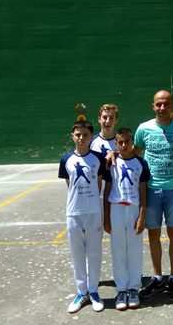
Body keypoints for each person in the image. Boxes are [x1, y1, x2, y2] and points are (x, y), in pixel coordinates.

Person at [134, 90, 173, 301]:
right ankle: (158, 276)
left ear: (172, 105)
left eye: (166, 104)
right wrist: (113, 153)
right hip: (151, 190)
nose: (162, 108)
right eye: (158, 104)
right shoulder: (143, 128)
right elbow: (134, 152)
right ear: (153, 105)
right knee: (154, 235)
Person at [58, 120, 106, 313]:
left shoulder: (98, 159)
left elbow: (100, 184)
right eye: (77, 134)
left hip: (94, 211)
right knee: (77, 254)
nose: (81, 138)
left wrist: (90, 201)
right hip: (74, 213)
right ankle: (81, 292)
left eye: (85, 135)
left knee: (94, 253)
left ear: (90, 137)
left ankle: (93, 291)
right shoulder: (66, 159)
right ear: (72, 136)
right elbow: (69, 184)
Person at [103, 128, 150, 310]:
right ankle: (121, 289)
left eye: (127, 142)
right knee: (118, 250)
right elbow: (107, 190)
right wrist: (106, 217)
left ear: (133, 144)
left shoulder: (140, 163)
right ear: (116, 143)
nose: (123, 146)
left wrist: (141, 216)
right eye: (120, 142)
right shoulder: (111, 163)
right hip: (115, 209)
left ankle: (133, 288)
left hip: (133, 210)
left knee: (135, 250)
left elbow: (143, 192)